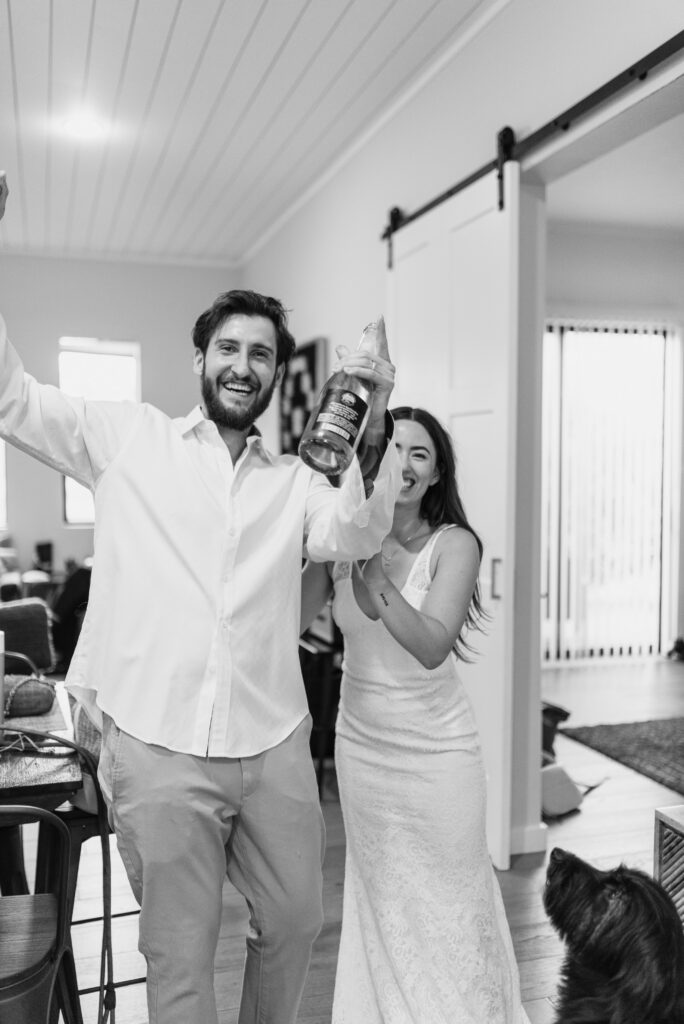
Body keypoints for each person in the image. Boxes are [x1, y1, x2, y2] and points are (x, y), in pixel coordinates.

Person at [0, 171, 403, 1024]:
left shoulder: (297, 479)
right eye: (229, 348)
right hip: (158, 744)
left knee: (296, 923)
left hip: (274, 743)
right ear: (201, 359)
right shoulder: (127, 440)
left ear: (273, 374)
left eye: (260, 354)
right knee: (179, 964)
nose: (243, 365)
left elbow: (357, 534)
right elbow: (13, 400)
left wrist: (376, 406)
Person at [301, 406, 530, 1024]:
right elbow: (289, 622)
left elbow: (432, 645)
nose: (402, 463)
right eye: (392, 447)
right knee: (382, 901)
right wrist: (309, 540)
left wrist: (374, 574)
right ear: (371, 458)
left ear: (434, 475)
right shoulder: (342, 539)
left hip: (439, 755)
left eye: (419, 454)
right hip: (362, 751)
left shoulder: (455, 544)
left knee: (454, 901)